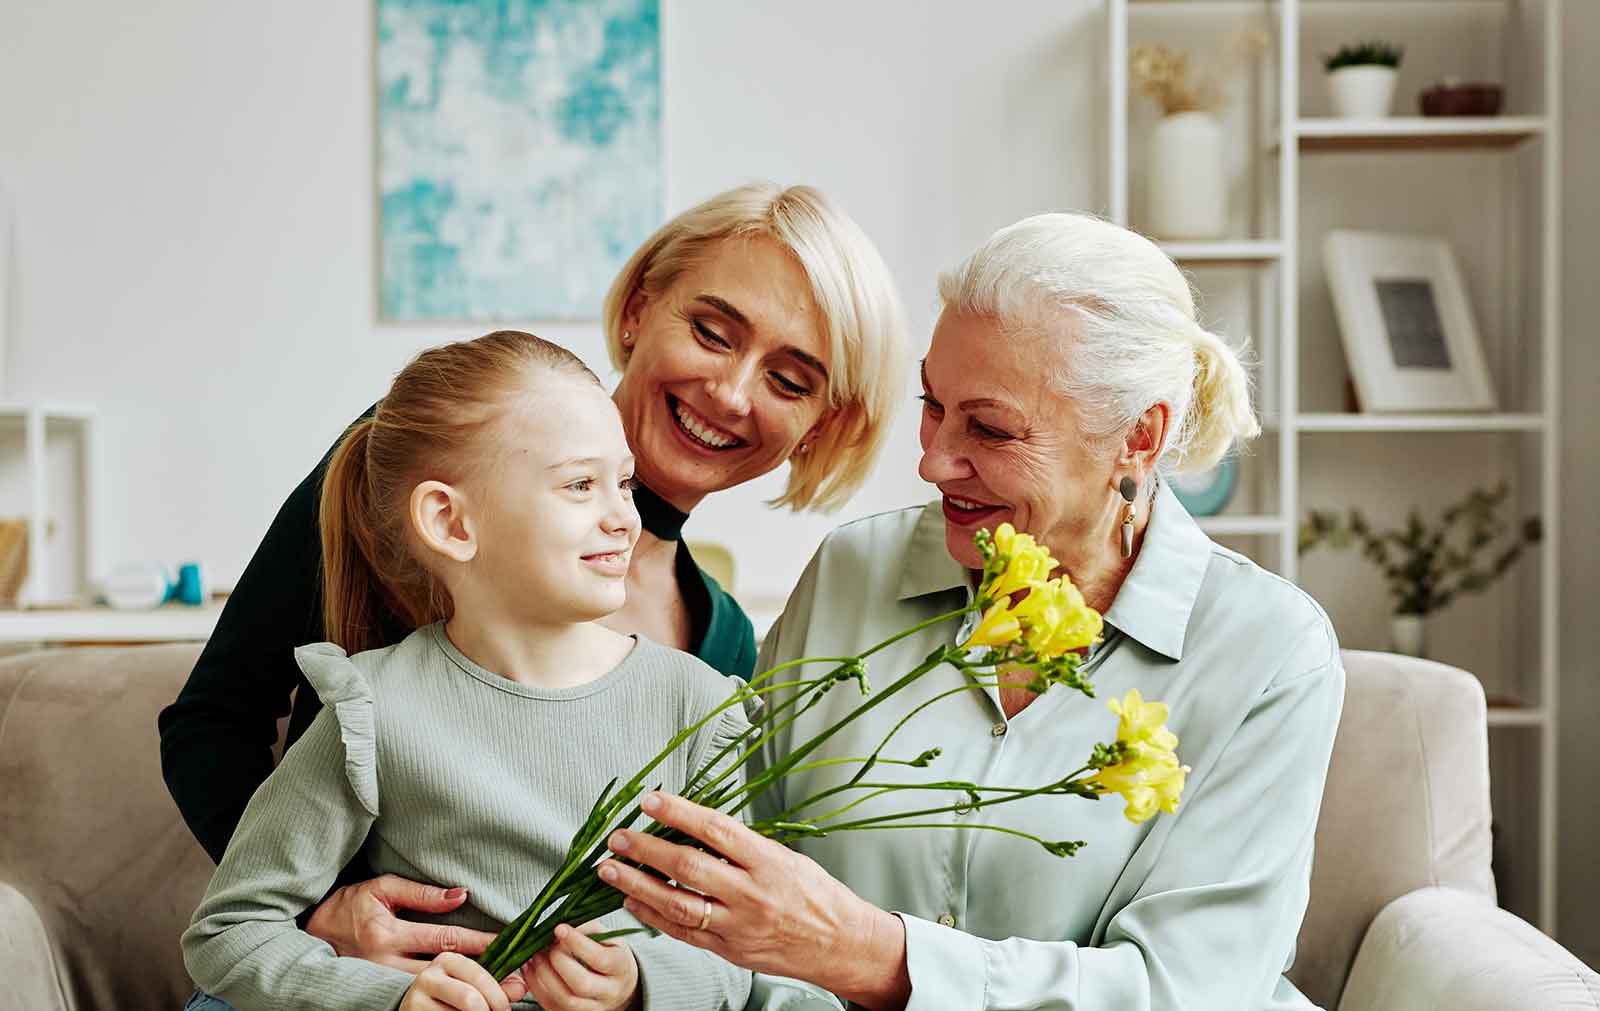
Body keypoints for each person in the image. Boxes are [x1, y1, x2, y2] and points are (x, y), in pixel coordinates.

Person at [596, 212, 1347, 1010]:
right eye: (933, 404)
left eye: (990, 428)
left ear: (1138, 436)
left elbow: (1188, 990)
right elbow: (714, 882)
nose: (932, 460)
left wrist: (875, 955)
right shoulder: (854, 573)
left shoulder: (1270, 652)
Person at [158, 182, 908, 973]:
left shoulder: (717, 650)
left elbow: (689, 926)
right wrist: (317, 920)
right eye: (713, 331)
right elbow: (213, 722)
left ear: (818, 425)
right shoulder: (431, 468)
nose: (730, 391)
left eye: (790, 381)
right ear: (637, 311)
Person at [182, 331, 754, 1011]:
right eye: (580, 484)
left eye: (622, 482)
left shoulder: (697, 706)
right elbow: (229, 932)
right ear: (451, 522)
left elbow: (737, 954)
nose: (623, 517)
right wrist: (388, 998)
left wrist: (640, 982)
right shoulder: (374, 709)